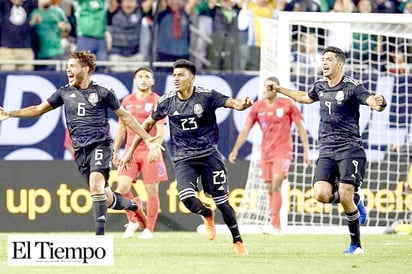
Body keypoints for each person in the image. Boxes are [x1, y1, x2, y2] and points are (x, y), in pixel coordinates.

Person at [0, 50, 163, 236]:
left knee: (95, 185)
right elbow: (38, 109)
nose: (68, 69)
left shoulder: (103, 91)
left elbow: (126, 117)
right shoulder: (63, 92)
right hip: (80, 151)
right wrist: (11, 113)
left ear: (85, 69)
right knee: (106, 197)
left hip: (101, 145)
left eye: (72, 66)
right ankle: (134, 206)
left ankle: (99, 239)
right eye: (68, 66)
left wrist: (148, 137)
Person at [119, 59, 252, 255]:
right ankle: (207, 213)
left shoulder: (206, 96)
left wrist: (242, 105)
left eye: (181, 75)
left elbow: (232, 102)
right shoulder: (166, 100)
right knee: (187, 199)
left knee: (223, 202)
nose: (176, 79)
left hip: (209, 156)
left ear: (192, 78)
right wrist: (130, 151)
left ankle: (238, 241)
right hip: (183, 158)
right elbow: (147, 124)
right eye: (174, 75)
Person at [270, 46, 387, 254]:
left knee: (344, 193)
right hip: (326, 149)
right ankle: (355, 201)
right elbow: (304, 97)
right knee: (321, 195)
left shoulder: (352, 86)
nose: (324, 63)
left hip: (350, 149)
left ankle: (355, 245)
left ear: (339, 64)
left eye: (329, 59)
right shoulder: (320, 85)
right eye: (323, 59)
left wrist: (379, 103)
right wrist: (279, 89)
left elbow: (370, 100)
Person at [229, 76, 311, 235]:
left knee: (276, 184)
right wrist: (235, 150)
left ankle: (274, 225)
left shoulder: (288, 104)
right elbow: (245, 130)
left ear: (277, 88)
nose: (267, 89)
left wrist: (306, 151)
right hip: (266, 153)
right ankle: (275, 225)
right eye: (265, 86)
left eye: (271, 86)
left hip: (284, 151)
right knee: (270, 188)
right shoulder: (257, 107)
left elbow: (300, 127)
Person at [112, 66, 169, 239]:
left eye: (147, 77)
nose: (143, 79)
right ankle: (134, 219)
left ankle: (149, 230)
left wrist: (155, 146)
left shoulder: (158, 101)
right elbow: (121, 128)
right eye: (140, 77)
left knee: (151, 191)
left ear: (152, 81)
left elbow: (160, 128)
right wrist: (115, 150)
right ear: (135, 81)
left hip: (149, 151)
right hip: (131, 151)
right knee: (121, 188)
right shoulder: (126, 101)